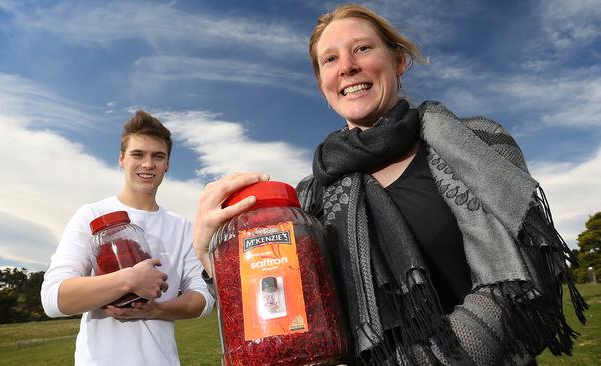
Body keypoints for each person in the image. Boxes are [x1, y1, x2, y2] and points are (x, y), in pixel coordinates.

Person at [192, 4, 587, 366]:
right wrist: (211, 256)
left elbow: (523, 276)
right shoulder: (309, 200)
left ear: (397, 61)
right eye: (330, 59)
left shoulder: (478, 142)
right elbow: (297, 312)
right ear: (323, 84)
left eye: (362, 49)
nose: (346, 66)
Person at [41, 110, 214, 365]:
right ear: (122, 159)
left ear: (167, 164)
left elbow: (204, 299)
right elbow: (53, 299)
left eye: (158, 156)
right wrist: (129, 280)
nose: (148, 164)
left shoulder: (182, 227)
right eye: (138, 154)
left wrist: (156, 309)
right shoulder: (91, 215)